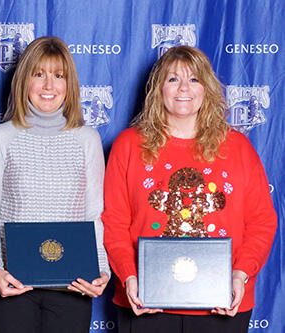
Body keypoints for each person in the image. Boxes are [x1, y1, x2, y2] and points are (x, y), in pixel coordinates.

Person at [101, 45, 277, 333]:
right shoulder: (128, 145)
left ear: (206, 88)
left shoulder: (238, 147)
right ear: (158, 88)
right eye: (172, 79)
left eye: (194, 79)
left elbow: (262, 222)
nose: (183, 88)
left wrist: (240, 275)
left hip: (221, 299)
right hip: (146, 299)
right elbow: (114, 222)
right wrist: (129, 276)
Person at [0, 36, 110, 333]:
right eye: (39, 74)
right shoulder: (0, 138)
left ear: (69, 84)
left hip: (73, 284)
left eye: (58, 76)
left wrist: (101, 268)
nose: (49, 86)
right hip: (12, 285)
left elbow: (93, 216)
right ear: (25, 80)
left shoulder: (87, 139)